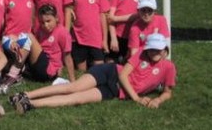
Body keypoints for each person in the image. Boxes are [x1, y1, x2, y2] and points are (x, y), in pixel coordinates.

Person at [10, 33, 176, 113]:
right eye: (151, 49)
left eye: (158, 49)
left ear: (165, 50)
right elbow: (123, 75)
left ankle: (29, 104)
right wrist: (137, 98)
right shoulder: (141, 54)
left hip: (115, 91)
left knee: (77, 99)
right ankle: (24, 95)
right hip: (110, 72)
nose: (154, 52)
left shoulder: (168, 67)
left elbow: (168, 92)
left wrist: (158, 100)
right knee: (72, 88)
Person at [0, 4, 75, 93]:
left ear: (56, 18)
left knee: (29, 36)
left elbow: (67, 57)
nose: (45, 25)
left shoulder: (62, 32)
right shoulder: (40, 30)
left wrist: (73, 81)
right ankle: (12, 72)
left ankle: (12, 76)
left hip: (48, 70)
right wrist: (14, 42)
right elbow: (33, 47)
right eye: (42, 22)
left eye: (48, 21)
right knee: (9, 37)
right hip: (37, 65)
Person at [67, 0, 110, 71]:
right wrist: (69, 10)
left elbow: (103, 16)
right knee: (81, 72)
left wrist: (104, 40)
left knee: (99, 70)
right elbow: (65, 7)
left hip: (95, 38)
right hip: (78, 38)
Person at [107, 0, 151, 64]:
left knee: (131, 62)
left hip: (135, 35)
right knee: (111, 61)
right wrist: (113, 37)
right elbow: (110, 17)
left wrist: (116, 19)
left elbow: (140, 15)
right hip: (117, 34)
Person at [0, 0, 35, 88]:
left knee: (26, 44)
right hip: (9, 37)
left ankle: (11, 77)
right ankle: (20, 69)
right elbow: (2, 19)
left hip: (24, 38)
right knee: (18, 51)